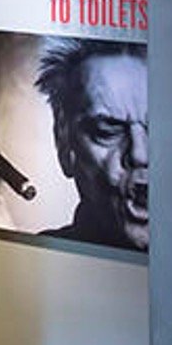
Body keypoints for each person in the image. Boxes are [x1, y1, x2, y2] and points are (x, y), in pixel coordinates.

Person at [35, 39, 150, 250]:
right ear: (63, 142)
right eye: (108, 130)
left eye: (159, 132)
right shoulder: (36, 254)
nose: (140, 154)